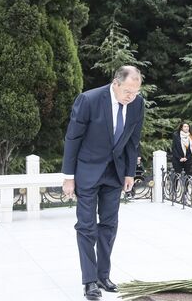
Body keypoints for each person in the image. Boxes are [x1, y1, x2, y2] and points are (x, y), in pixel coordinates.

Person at [61, 66, 145, 300]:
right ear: (115, 84)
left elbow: (133, 141)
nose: (131, 96)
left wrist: (130, 173)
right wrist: (69, 176)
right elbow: (73, 137)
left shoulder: (137, 104)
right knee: (86, 227)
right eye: (128, 91)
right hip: (87, 172)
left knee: (109, 226)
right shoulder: (89, 100)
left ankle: (102, 276)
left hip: (114, 174)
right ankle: (89, 282)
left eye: (136, 92)